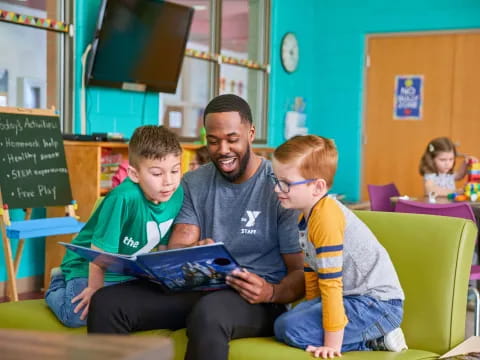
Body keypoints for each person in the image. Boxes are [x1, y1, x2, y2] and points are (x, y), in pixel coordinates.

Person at [87, 94, 304, 360]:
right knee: (108, 304)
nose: (222, 149)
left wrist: (271, 292)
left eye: (232, 139)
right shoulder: (194, 182)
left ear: (251, 133)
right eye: (213, 141)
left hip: (257, 299)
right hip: (201, 287)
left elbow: (299, 272)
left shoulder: (279, 186)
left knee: (210, 312)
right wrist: (194, 251)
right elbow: (179, 244)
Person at [271, 135, 407, 358]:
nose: (277, 189)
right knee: (284, 322)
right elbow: (312, 272)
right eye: (275, 180)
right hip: (349, 300)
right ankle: (367, 336)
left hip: (378, 305)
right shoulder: (305, 216)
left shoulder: (326, 218)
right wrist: (312, 307)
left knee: (289, 328)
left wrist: (331, 345)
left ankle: (376, 340)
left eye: (285, 183)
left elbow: (331, 283)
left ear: (317, 187)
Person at [45, 125, 184, 327]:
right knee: (79, 316)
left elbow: (162, 241)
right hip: (87, 266)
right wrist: (95, 290)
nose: (169, 181)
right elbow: (98, 253)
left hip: (125, 272)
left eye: (175, 170)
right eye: (156, 174)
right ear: (134, 174)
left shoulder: (175, 194)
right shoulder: (123, 198)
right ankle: (58, 283)